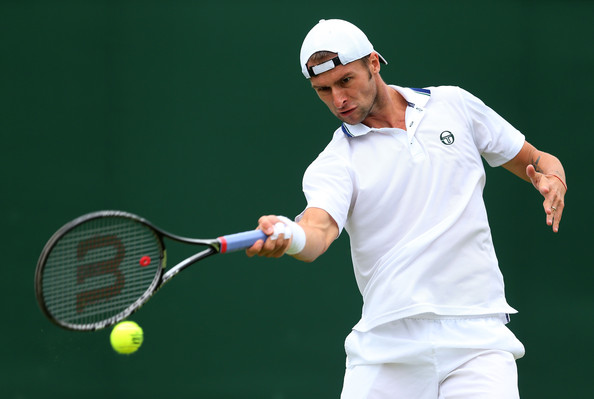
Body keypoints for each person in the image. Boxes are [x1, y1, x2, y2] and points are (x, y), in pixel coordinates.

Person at [246, 19, 567, 398]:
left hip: (478, 338)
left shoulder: (454, 105)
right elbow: (318, 231)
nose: (338, 100)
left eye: (345, 80)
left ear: (373, 63)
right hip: (387, 346)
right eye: (323, 90)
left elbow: (540, 160)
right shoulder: (333, 163)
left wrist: (552, 179)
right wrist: (291, 234)